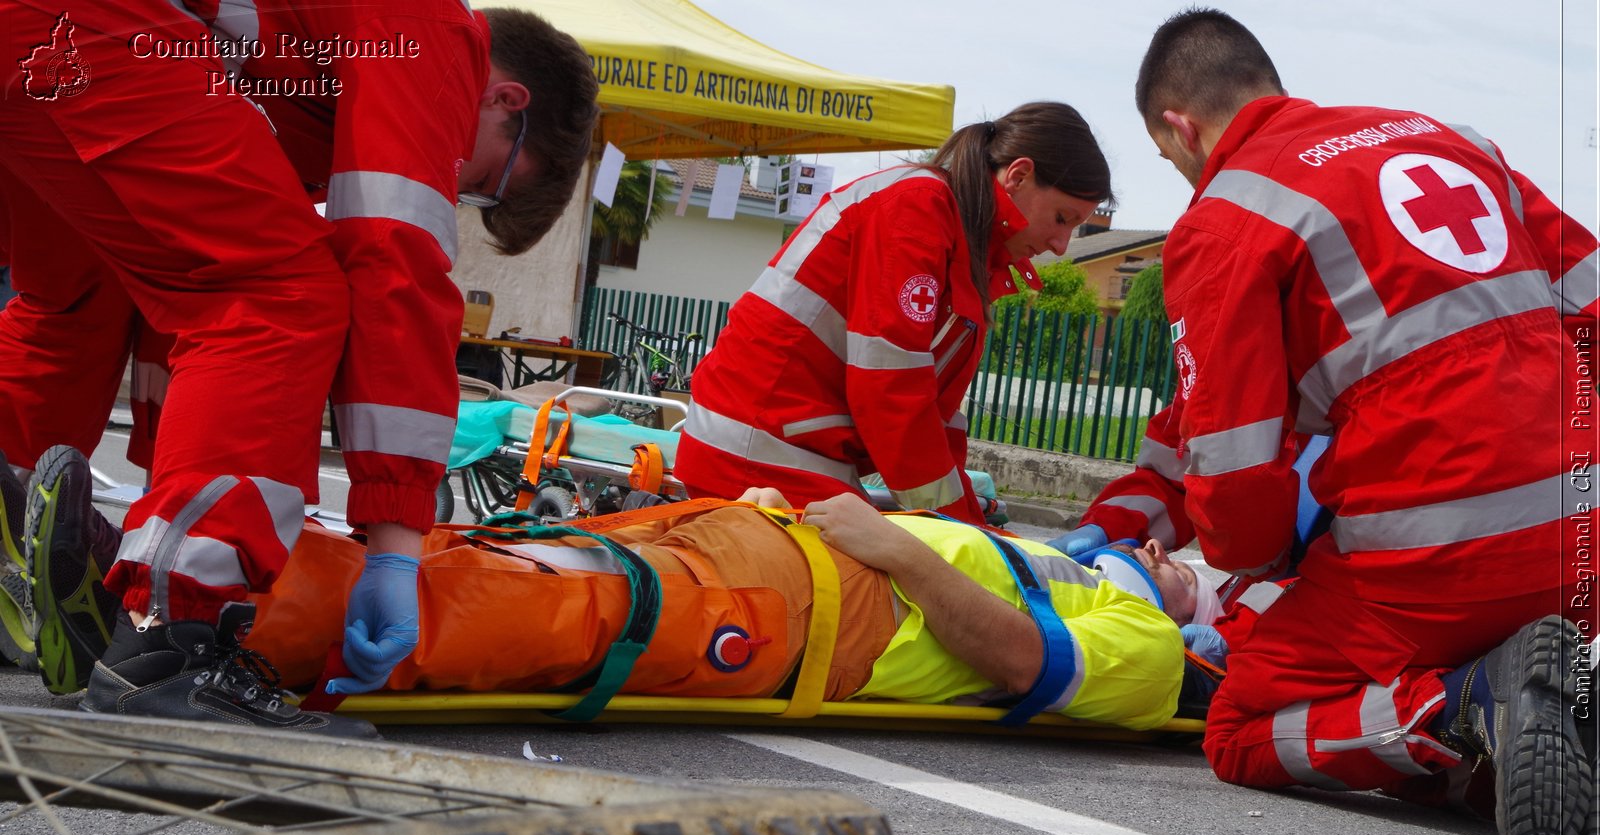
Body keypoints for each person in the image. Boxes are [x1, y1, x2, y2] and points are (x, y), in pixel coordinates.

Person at [1052, 9, 1598, 835]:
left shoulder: (1227, 219)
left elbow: (1232, 484)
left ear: (1179, 129)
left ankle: (1462, 708)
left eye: (1172, 162)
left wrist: (1266, 567)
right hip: (1581, 534)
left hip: (1432, 559)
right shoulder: (1453, 140)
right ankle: (1540, 745)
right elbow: (1591, 305)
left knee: (1239, 724)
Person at [0, 3, 598, 735]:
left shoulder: (301, 71)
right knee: (280, 295)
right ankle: (168, 643)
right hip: (76, 27)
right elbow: (392, 261)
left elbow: (177, 309)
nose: (457, 192)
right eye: (483, 186)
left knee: (71, 300)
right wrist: (395, 545)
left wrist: (176, 493)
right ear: (505, 99)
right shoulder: (433, 31)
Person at [240, 492, 1191, 733]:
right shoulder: (1075, 569)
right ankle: (205, 580)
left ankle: (230, 631)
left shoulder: (1153, 653)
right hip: (771, 547)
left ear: (1208, 630)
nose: (1163, 551)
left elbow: (1022, 661)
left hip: (806, 611)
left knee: (530, 608)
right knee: (486, 554)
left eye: (1189, 569)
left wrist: (896, 547)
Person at [674, 102, 1114, 525]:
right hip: (760, 454)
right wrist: (962, 531)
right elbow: (890, 389)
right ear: (1018, 176)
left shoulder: (956, 230)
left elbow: (931, 413)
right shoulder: (918, 209)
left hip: (780, 447)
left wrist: (967, 527)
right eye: (1062, 218)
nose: (1061, 244)